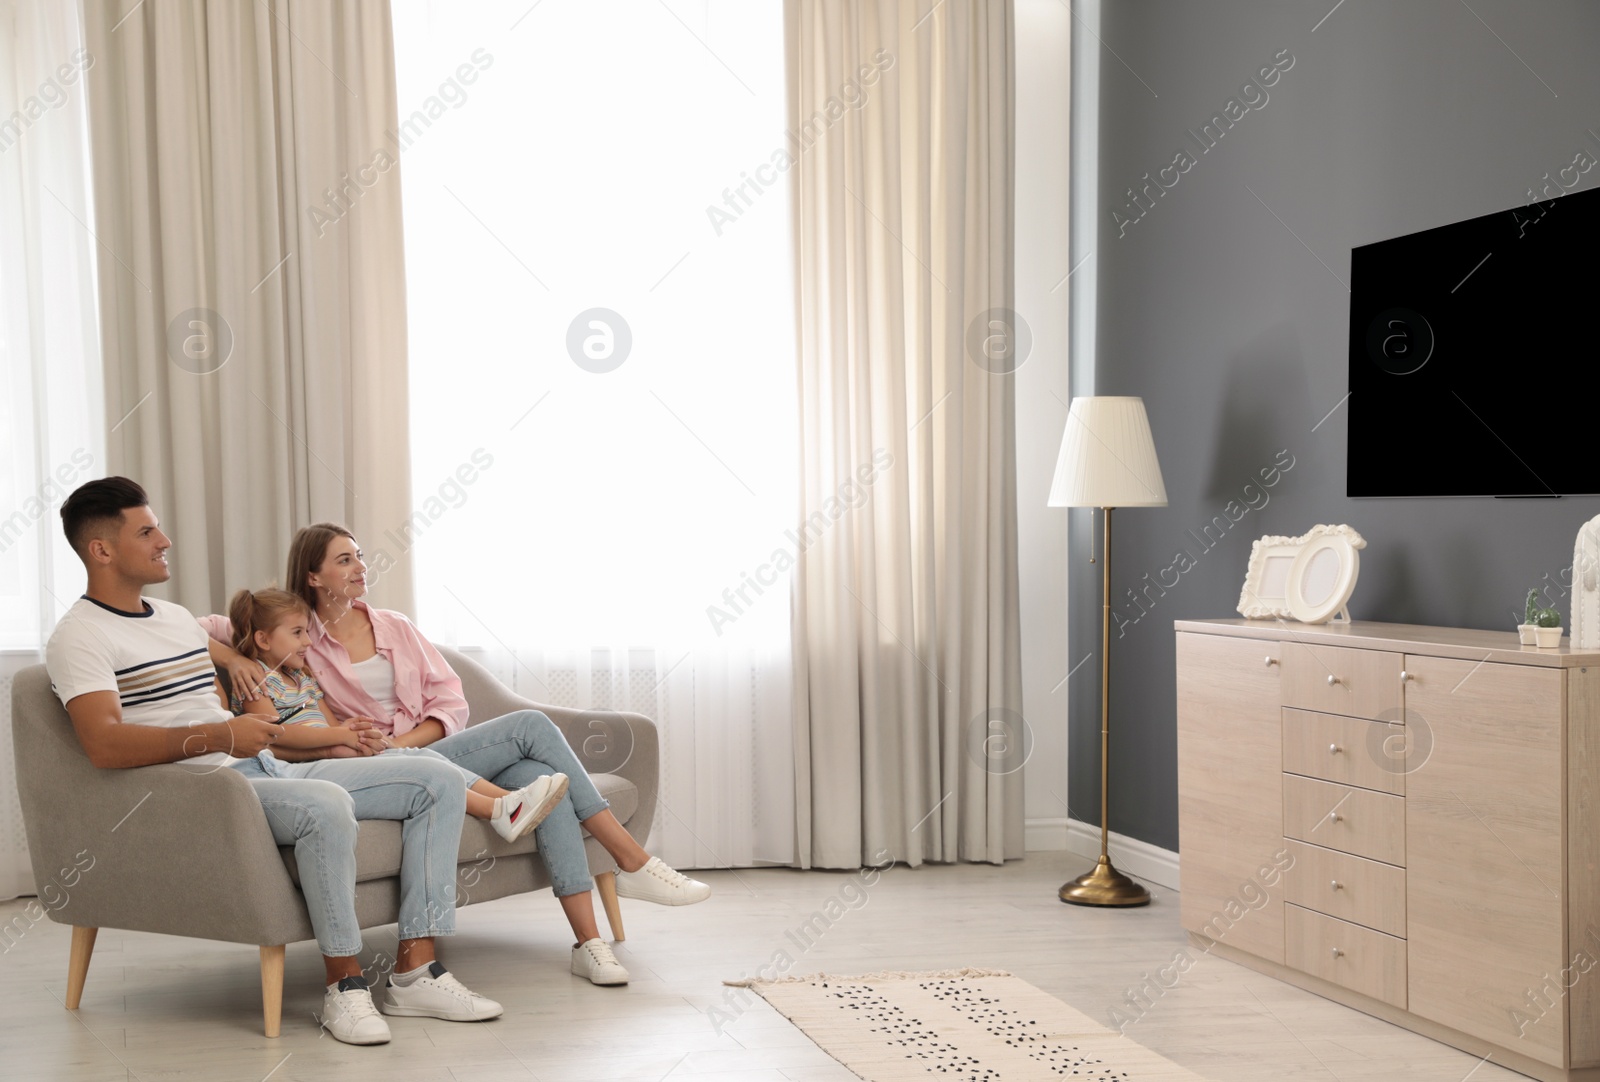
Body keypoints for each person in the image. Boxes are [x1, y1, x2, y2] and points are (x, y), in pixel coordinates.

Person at [46, 478, 500, 1045]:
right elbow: (104, 745)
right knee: (328, 804)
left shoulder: (172, 616)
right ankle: (346, 988)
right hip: (202, 786)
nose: (164, 539)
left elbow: (232, 640)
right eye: (146, 531)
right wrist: (219, 733)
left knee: (434, 780)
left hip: (264, 768)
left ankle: (414, 971)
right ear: (102, 550)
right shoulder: (80, 636)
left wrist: (236, 659)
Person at [206, 523, 711, 987]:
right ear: (313, 576)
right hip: (375, 765)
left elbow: (450, 700)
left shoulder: (395, 626)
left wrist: (403, 748)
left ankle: (599, 924)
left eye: (359, 555)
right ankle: (618, 889)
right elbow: (193, 627)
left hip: (417, 749)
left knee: (536, 751)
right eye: (344, 560)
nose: (361, 566)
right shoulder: (294, 635)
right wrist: (230, 657)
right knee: (536, 757)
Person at [223, 587, 569, 843]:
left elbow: (331, 723)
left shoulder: (302, 677)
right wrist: (340, 737)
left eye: (307, 632)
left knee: (411, 756)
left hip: (338, 754)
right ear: (263, 640)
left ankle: (508, 801)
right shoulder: (255, 681)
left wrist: (351, 730)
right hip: (305, 768)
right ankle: (499, 808)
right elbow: (275, 736)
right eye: (297, 633)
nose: (308, 643)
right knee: (419, 766)